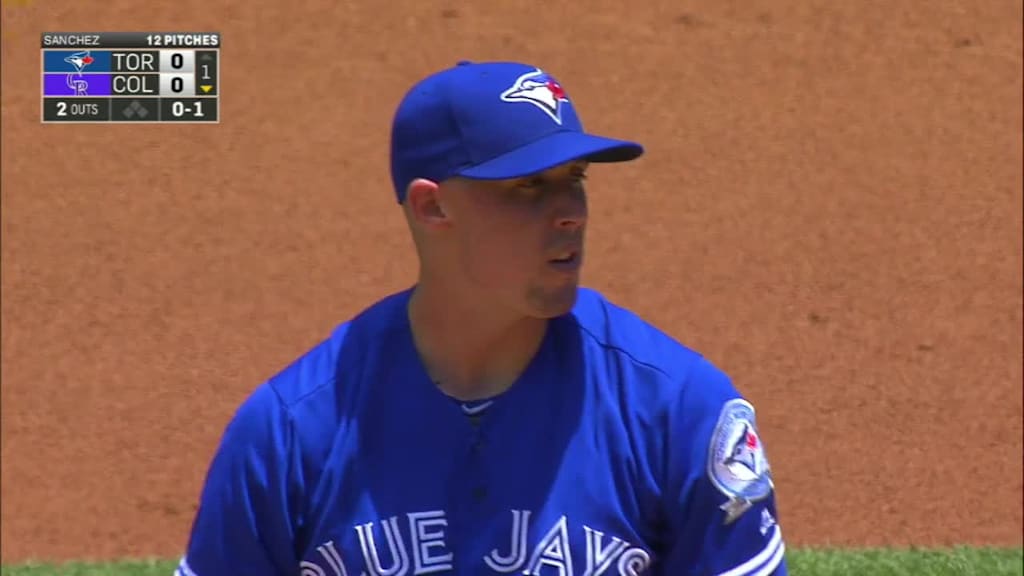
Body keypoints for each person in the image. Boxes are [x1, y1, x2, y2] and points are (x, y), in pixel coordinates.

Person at [175, 60, 788, 576]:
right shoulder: (290, 430)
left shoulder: (676, 408)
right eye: (528, 186)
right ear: (432, 206)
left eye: (575, 179)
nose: (571, 210)